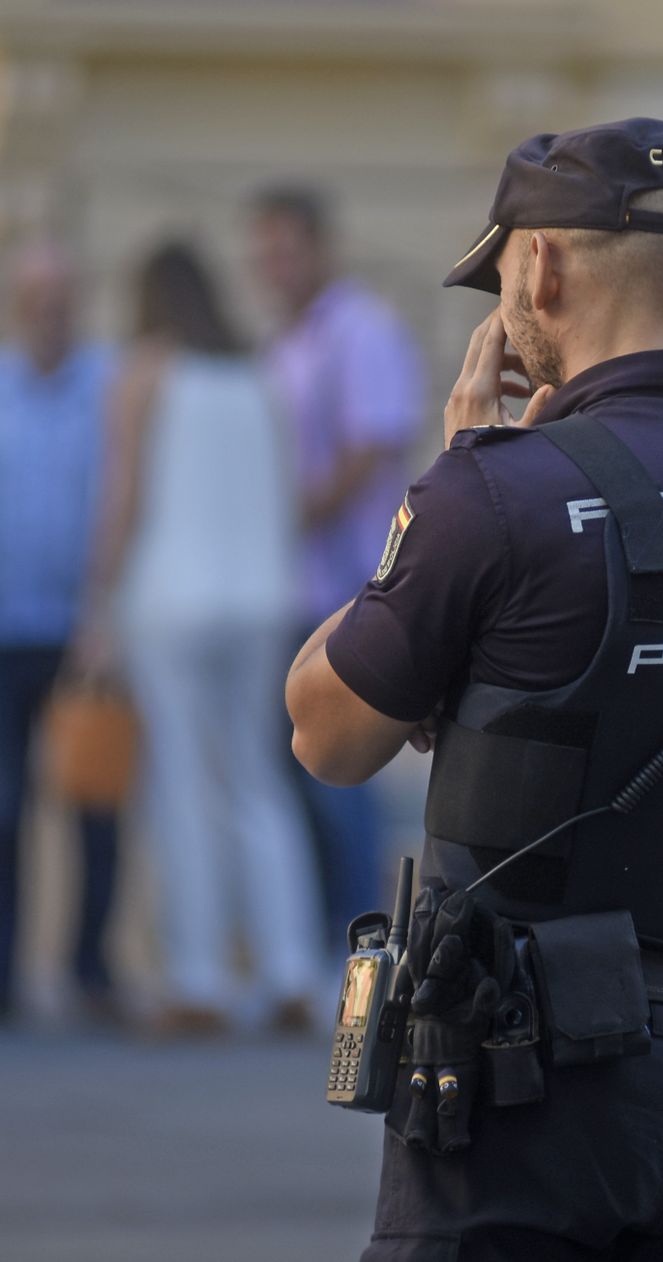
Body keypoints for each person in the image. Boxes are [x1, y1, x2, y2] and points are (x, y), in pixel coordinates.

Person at [285, 117, 663, 1260]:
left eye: (502, 274)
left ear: (542, 267)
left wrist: (449, 484)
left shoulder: (494, 496)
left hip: (513, 1097)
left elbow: (326, 732)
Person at [84, 241, 320, 1034]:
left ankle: (199, 977)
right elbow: (284, 492)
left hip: (170, 603)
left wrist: (96, 603)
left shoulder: (144, 373)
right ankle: (290, 969)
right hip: (260, 601)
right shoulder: (259, 375)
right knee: (258, 781)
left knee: (182, 786)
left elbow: (123, 498)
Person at [251, 186, 425, 948]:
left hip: (349, 589)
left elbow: (369, 452)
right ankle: (324, 935)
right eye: (264, 255)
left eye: (286, 251)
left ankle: (357, 941)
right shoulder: (282, 343)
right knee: (297, 774)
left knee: (340, 778)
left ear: (321, 249)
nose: (274, 268)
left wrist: (281, 517)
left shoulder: (361, 330)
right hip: (289, 589)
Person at [0, 241, 121, 1022]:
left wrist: (106, 613)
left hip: (86, 635)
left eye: (60, 301)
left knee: (98, 804)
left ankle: (91, 973)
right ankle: (5, 980)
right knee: (4, 810)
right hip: (6, 632)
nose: (48, 314)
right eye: (35, 301)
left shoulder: (112, 385)